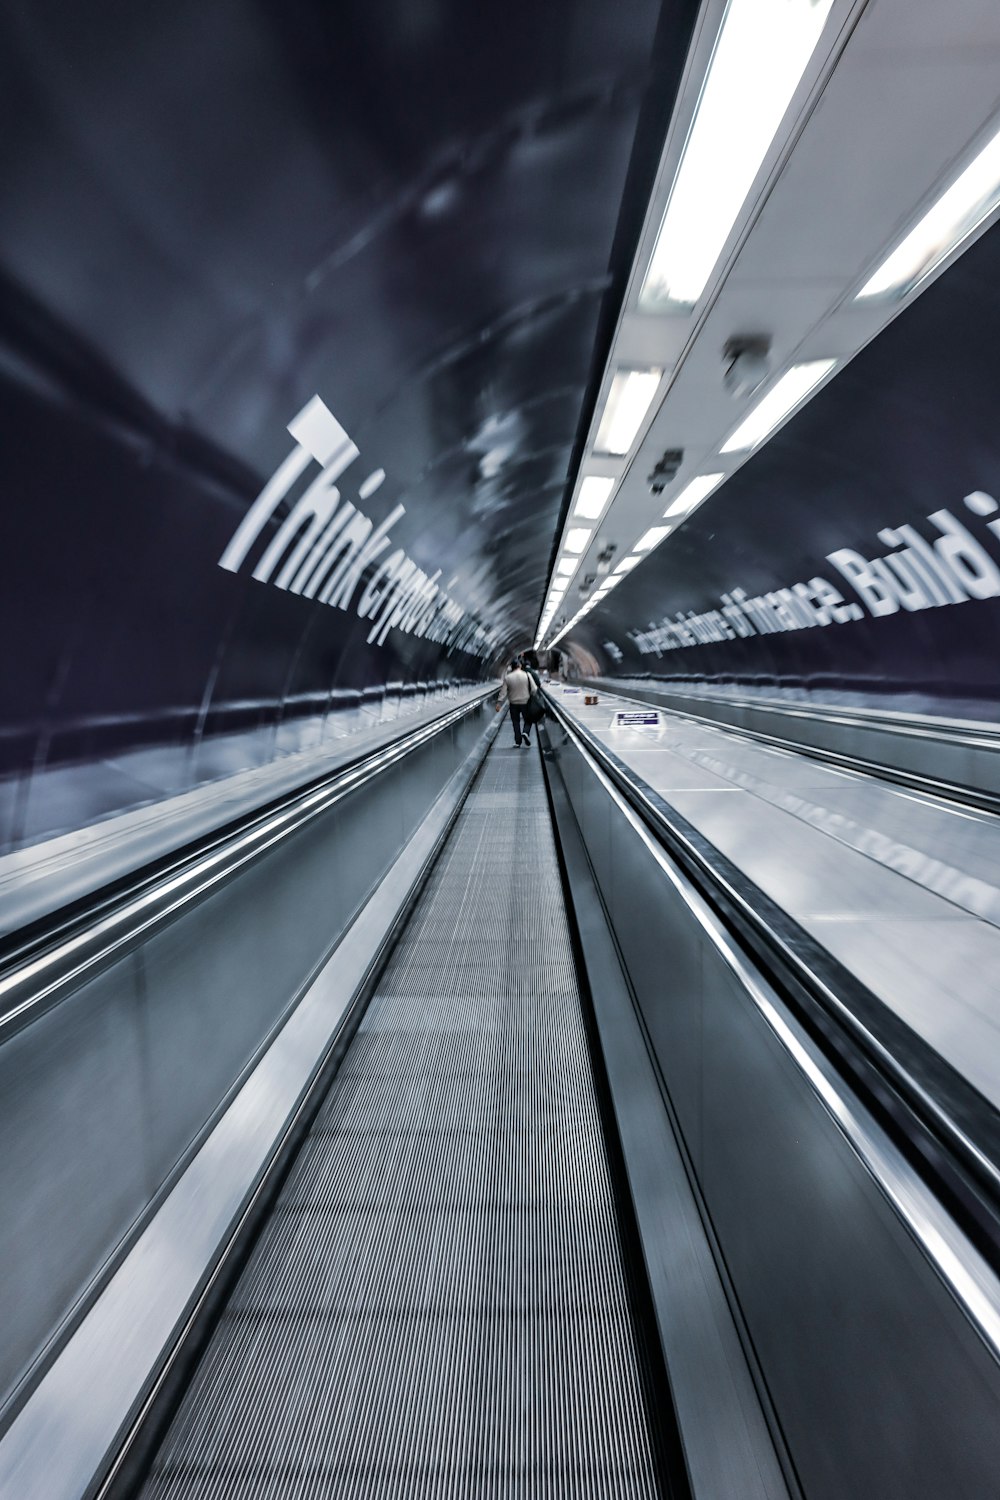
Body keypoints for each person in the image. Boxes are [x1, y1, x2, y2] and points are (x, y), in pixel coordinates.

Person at [496, 657, 537, 747]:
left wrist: (499, 703)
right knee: (528, 720)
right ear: (520, 666)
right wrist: (531, 695)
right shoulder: (527, 675)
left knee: (515, 722)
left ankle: (518, 742)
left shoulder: (508, 677)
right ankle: (525, 732)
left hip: (513, 703)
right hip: (525, 702)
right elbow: (534, 689)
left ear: (512, 667)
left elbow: (503, 692)